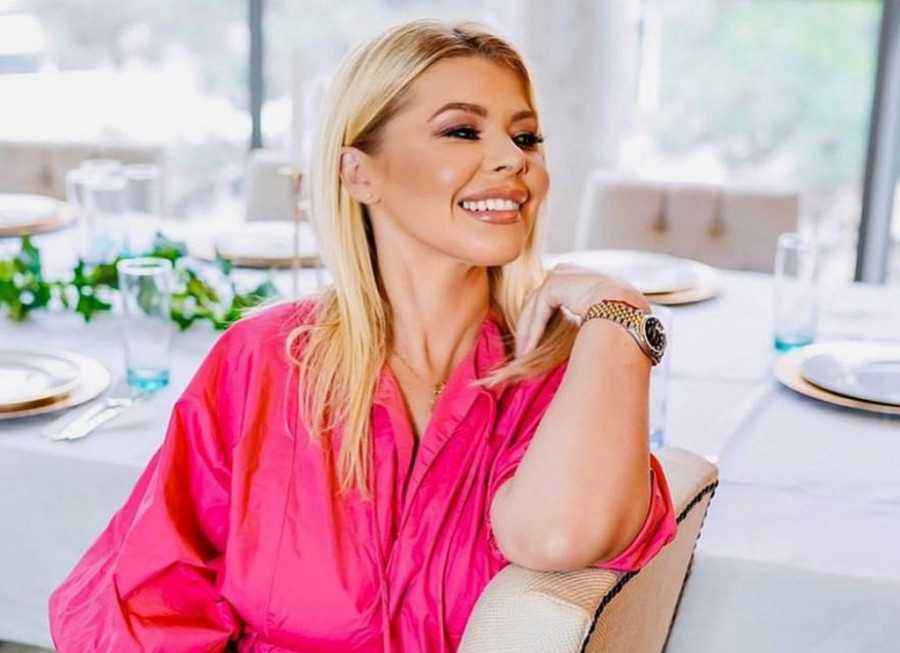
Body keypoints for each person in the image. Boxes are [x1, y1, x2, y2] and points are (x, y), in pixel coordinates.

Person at [49, 19, 676, 652]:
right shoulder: (263, 361)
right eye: (463, 131)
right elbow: (152, 598)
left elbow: (558, 535)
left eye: (526, 137)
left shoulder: (562, 380)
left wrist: (620, 310)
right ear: (359, 173)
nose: (515, 159)